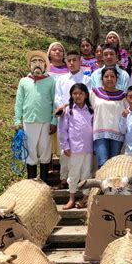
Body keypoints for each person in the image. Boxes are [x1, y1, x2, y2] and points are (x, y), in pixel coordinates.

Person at [14, 51, 57, 182]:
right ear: (29, 66)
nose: (37, 65)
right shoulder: (24, 81)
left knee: (45, 150)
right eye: (34, 62)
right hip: (28, 121)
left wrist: (54, 120)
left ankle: (44, 182)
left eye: (40, 62)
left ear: (45, 66)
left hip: (46, 121)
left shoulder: (50, 81)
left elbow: (55, 101)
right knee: (30, 150)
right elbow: (19, 102)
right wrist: (17, 120)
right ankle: (31, 182)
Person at [54, 50, 90, 189]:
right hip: (66, 116)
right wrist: (63, 107)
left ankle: (82, 181)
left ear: (80, 61)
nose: (71, 63)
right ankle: (64, 178)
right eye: (69, 60)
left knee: (83, 154)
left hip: (83, 116)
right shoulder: (62, 80)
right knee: (65, 150)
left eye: (74, 60)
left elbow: (90, 97)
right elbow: (57, 97)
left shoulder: (87, 79)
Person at [58, 83, 94, 210]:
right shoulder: (68, 110)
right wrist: (65, 145)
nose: (77, 96)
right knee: (73, 174)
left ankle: (84, 198)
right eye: (75, 93)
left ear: (86, 95)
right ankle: (71, 198)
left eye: (80, 93)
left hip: (88, 148)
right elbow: (63, 130)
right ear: (71, 95)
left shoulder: (91, 110)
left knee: (86, 174)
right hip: (74, 148)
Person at [90, 67, 127, 168]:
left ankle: (112, 184)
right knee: (103, 162)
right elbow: (82, 104)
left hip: (117, 134)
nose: (109, 78)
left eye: (112, 76)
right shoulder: (94, 93)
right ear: (102, 79)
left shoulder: (123, 96)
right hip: (100, 133)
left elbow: (130, 110)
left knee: (114, 164)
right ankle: (102, 184)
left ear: (117, 79)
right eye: (106, 76)